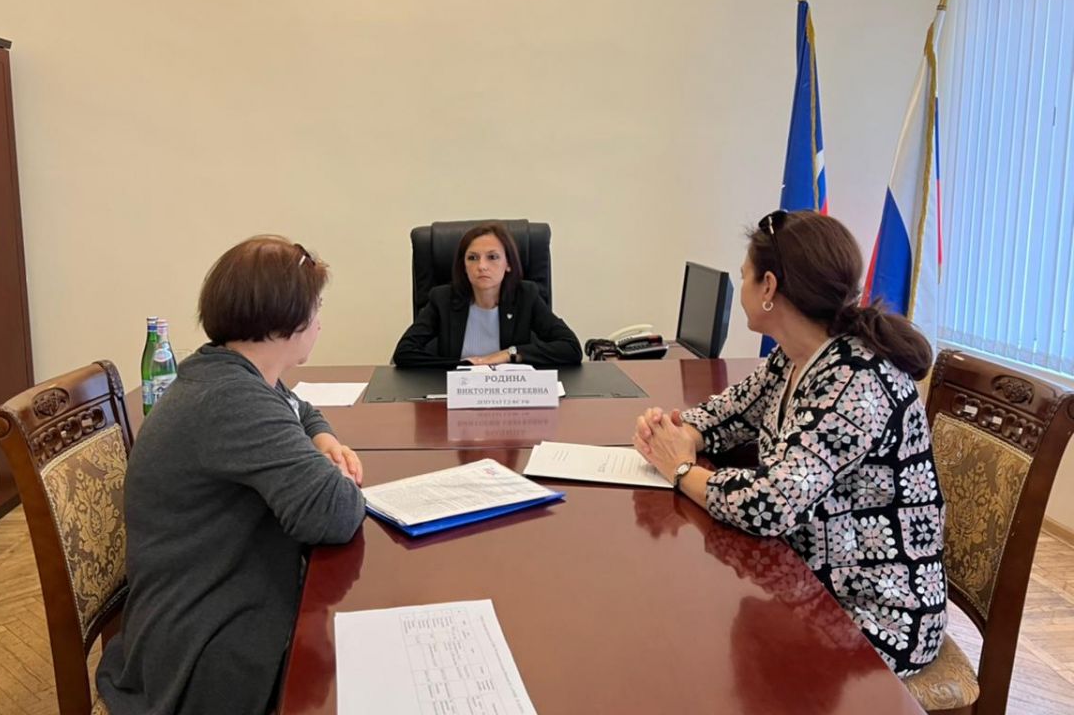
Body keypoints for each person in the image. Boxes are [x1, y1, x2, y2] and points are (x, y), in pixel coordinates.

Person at [632, 210, 946, 677]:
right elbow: (730, 413)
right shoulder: (797, 356)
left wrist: (680, 471)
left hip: (875, 615)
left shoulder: (857, 381)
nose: (741, 285)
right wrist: (676, 433)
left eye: (744, 275)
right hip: (809, 580)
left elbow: (771, 505)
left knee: (690, 654)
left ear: (769, 287)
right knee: (681, 630)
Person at [97, 236, 366, 714]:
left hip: (196, 599)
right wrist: (336, 478)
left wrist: (320, 437)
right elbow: (333, 513)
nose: (320, 322)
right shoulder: (231, 399)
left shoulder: (224, 370)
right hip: (205, 646)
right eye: (317, 308)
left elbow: (296, 407)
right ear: (287, 319)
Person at [392, 222, 582, 368]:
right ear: (463, 266)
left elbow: (571, 348)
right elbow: (404, 353)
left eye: (492, 257)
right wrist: (464, 365)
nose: (482, 266)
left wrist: (508, 354)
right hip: (456, 393)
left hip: (511, 395)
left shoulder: (526, 296)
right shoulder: (442, 299)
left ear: (508, 264)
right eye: (472, 258)